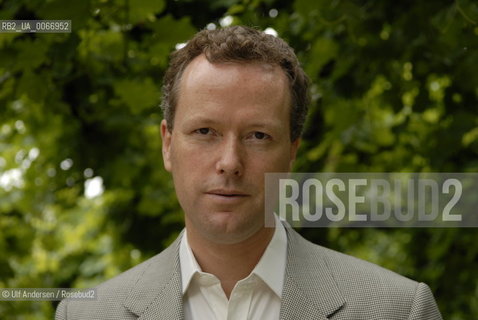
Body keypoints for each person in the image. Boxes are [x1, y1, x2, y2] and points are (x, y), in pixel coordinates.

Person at [56, 25, 442, 320]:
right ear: (167, 144)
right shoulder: (87, 314)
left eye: (258, 135)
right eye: (205, 131)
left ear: (291, 153)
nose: (230, 161)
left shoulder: (397, 309)